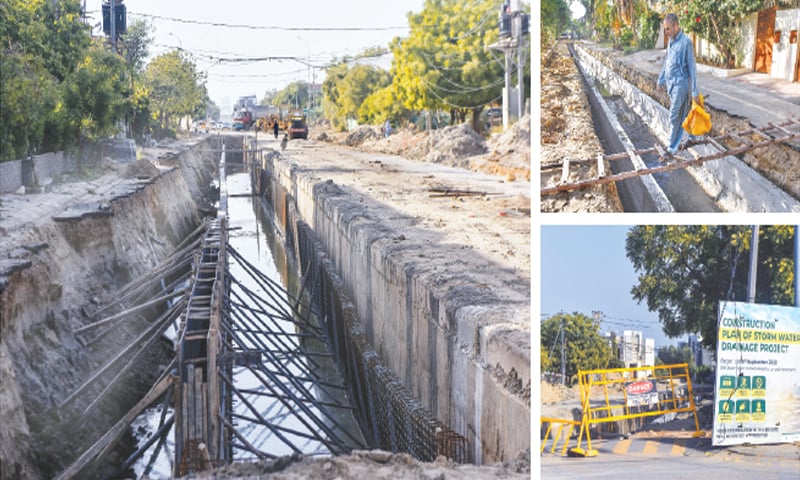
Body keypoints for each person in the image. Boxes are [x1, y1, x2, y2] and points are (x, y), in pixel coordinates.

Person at [657, 13, 700, 162]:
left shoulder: (685, 42)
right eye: (665, 29)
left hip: (681, 85)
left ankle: (671, 147)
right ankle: (693, 137)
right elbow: (667, 62)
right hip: (671, 85)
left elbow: (692, 67)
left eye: (668, 29)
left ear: (676, 26)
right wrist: (660, 79)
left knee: (674, 114)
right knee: (685, 113)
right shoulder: (671, 41)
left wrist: (694, 90)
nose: (666, 32)